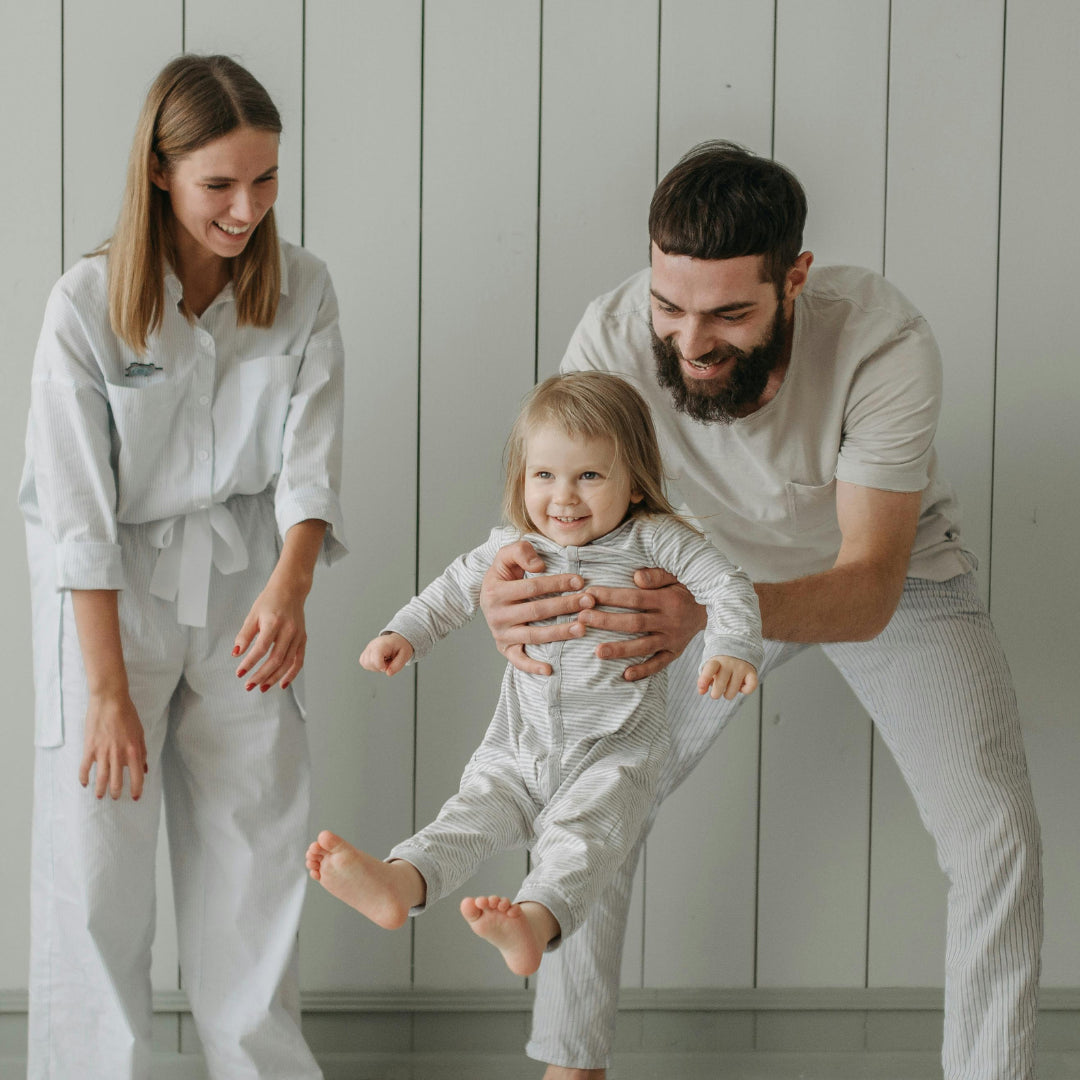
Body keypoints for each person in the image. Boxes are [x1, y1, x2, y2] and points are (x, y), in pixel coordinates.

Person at [480, 142, 1043, 1080]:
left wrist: (713, 616)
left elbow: (867, 590)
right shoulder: (613, 335)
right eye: (671, 306)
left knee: (995, 833)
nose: (692, 342)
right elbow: (559, 512)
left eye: (731, 314)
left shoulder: (884, 342)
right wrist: (513, 589)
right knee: (590, 787)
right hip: (692, 576)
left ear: (796, 280)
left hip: (877, 581)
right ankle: (569, 1068)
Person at [19, 55, 346, 1080]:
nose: (247, 208)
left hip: (249, 585)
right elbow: (75, 514)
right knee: (97, 868)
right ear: (159, 173)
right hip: (109, 604)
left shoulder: (303, 293)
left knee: (255, 855)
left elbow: (312, 461)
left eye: (267, 179)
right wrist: (107, 691)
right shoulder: (85, 304)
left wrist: (291, 588)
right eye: (219, 184)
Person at [306, 371, 762, 976]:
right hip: (519, 751)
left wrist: (731, 645)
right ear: (523, 480)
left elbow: (726, 585)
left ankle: (532, 924)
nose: (564, 497)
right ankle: (399, 884)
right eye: (544, 476)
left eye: (589, 476)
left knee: (579, 844)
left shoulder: (657, 541)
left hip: (613, 752)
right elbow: (451, 592)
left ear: (633, 485)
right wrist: (404, 634)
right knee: (466, 818)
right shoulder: (514, 545)